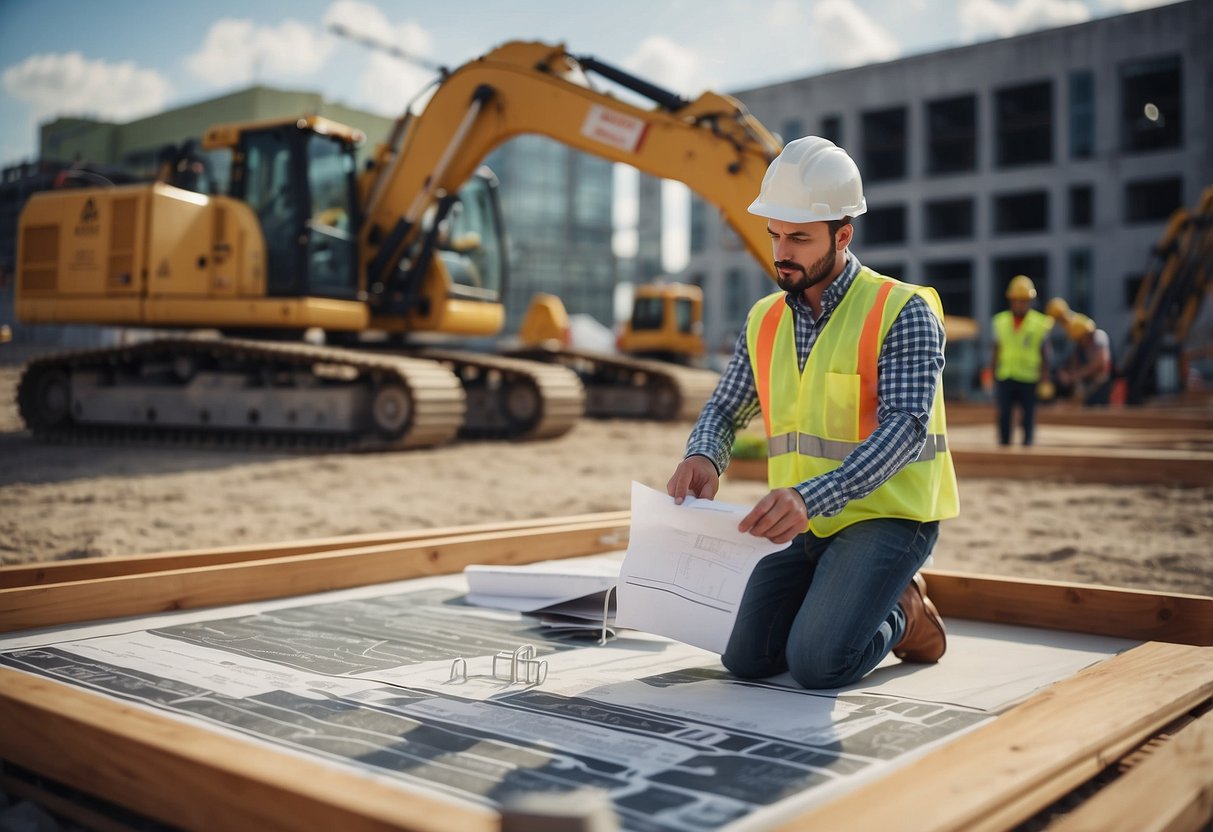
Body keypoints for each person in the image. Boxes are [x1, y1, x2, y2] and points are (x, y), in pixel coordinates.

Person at [666, 137, 959, 690]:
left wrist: (808, 497)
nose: (782, 251)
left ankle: (905, 613)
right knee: (744, 656)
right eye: (774, 234)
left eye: (799, 238)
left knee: (818, 663)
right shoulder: (764, 319)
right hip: (803, 523)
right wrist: (704, 453)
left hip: (888, 518)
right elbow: (727, 406)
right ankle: (841, 595)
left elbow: (903, 428)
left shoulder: (904, 309)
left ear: (843, 235)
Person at [990, 275, 1053, 446]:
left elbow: (1045, 353)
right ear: (1011, 300)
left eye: (1024, 300)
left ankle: (1028, 446)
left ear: (1030, 301)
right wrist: (991, 374)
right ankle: (1004, 446)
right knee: (1004, 415)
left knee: (1028, 416)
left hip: (1029, 378)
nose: (1020, 304)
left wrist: (1046, 379)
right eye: (1017, 300)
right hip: (1006, 375)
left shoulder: (1041, 323)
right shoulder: (1000, 321)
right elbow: (996, 349)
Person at [1056, 314, 1113, 405]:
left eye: (1079, 339)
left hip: (1102, 383)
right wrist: (1068, 376)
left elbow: (1100, 363)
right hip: (1087, 382)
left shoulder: (1099, 337)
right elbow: (1074, 364)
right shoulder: (1080, 348)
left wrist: (1075, 376)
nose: (1078, 342)